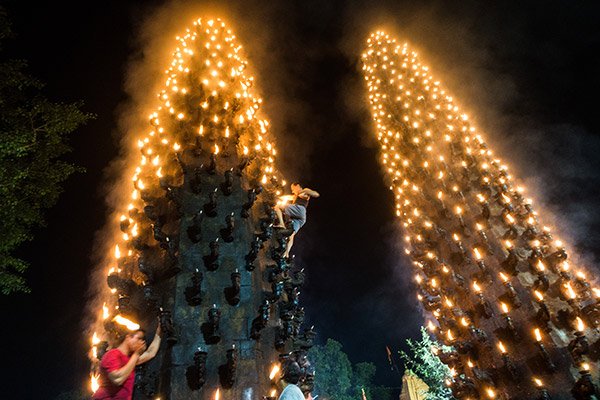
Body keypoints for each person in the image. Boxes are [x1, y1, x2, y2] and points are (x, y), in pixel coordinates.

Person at [92, 325, 161, 400]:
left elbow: (150, 353)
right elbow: (117, 379)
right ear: (128, 337)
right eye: (139, 338)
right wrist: (136, 354)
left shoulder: (130, 360)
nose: (142, 342)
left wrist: (159, 332)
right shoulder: (112, 354)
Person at [274, 182, 320, 258]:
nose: (292, 191)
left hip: (300, 209)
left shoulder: (304, 191)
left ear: (297, 186)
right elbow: (285, 197)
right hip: (301, 218)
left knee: (277, 206)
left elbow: (316, 194)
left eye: (292, 189)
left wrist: (303, 191)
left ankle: (281, 224)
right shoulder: (295, 196)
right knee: (291, 235)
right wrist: (278, 196)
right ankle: (286, 253)